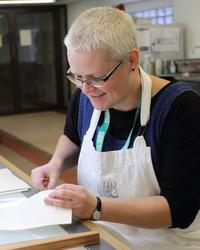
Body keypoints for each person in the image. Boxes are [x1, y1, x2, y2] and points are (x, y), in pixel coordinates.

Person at [31, 7, 200, 249]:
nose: (87, 88)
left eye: (97, 78)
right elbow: (73, 136)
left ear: (132, 60)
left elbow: (180, 209)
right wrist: (55, 164)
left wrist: (96, 207)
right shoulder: (84, 97)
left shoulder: (180, 109)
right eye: (77, 76)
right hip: (101, 237)